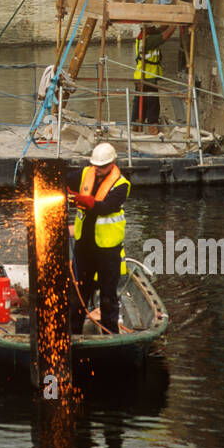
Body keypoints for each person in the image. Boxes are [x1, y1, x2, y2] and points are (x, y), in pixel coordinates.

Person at [68, 142, 130, 336]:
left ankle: (110, 335)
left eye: (103, 167)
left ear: (112, 163)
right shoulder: (86, 173)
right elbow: (64, 180)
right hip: (84, 248)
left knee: (108, 298)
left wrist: (86, 201)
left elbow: (106, 207)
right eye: (97, 166)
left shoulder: (122, 185)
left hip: (107, 251)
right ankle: (73, 334)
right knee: (78, 294)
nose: (99, 170)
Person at [134, 24, 175, 133]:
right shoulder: (148, 40)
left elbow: (160, 30)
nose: (155, 28)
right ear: (147, 28)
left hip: (143, 77)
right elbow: (165, 36)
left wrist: (170, 22)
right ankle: (152, 129)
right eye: (153, 26)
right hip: (147, 78)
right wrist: (176, 24)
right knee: (152, 106)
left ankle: (136, 127)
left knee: (140, 105)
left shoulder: (145, 35)